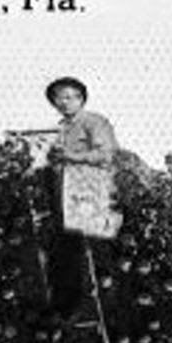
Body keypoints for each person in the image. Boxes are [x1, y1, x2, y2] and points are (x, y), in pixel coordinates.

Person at [40, 76, 119, 325]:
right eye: (57, 99)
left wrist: (71, 156)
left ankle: (84, 303)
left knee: (86, 248)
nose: (62, 103)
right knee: (63, 247)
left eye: (68, 97)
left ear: (81, 98)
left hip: (88, 188)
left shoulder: (94, 122)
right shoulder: (62, 128)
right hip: (65, 191)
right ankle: (65, 305)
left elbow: (105, 154)